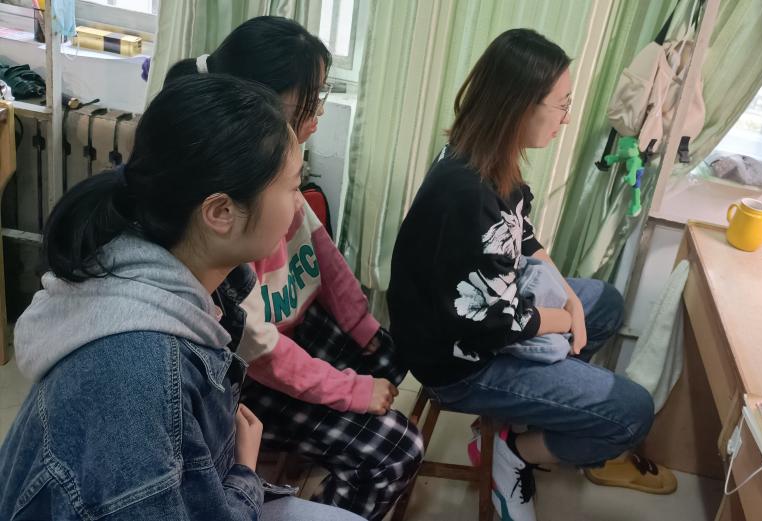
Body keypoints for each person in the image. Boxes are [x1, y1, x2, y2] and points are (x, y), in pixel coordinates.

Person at [0, 75, 363, 520]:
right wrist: (244, 476)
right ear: (221, 212)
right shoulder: (133, 376)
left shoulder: (196, 281)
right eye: (292, 186)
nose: (299, 202)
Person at [388, 29, 663, 521]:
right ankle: (515, 451)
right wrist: (564, 320)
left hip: (488, 315)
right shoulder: (468, 192)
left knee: (604, 302)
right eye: (562, 105)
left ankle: (515, 421)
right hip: (458, 361)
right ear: (519, 106)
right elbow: (494, 323)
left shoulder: (483, 152)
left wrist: (570, 300)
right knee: (632, 414)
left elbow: (522, 233)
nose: (567, 118)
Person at [165, 17, 422, 521]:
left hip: (285, 331)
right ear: (260, 97)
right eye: (309, 98)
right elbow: (258, 347)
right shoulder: (227, 214)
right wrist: (350, 391)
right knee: (396, 448)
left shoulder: (270, 162)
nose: (318, 111)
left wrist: (364, 328)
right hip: (250, 370)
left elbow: (321, 250)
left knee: (391, 359)